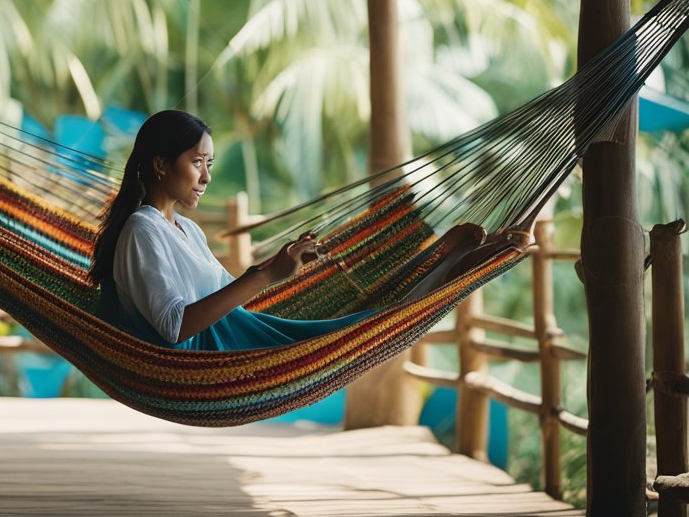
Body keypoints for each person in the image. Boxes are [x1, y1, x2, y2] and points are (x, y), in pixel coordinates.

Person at [91, 110, 528, 351]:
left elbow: (224, 294)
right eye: (196, 162)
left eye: (210, 164)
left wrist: (281, 269)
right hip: (208, 359)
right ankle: (447, 266)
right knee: (352, 329)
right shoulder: (140, 231)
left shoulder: (185, 230)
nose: (205, 177)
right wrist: (263, 276)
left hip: (233, 334)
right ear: (161, 163)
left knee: (345, 322)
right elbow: (174, 327)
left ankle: (442, 266)